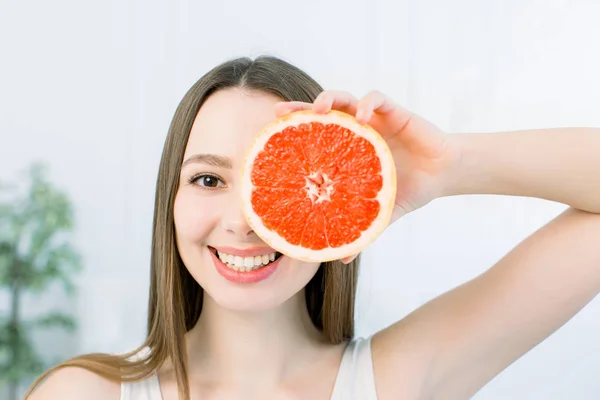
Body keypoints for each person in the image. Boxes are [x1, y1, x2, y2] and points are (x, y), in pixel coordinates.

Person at [25, 55, 600, 400]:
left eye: (278, 183)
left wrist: (444, 165)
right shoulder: (83, 394)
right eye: (207, 180)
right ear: (169, 204)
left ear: (332, 204)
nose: (244, 221)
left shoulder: (394, 380)